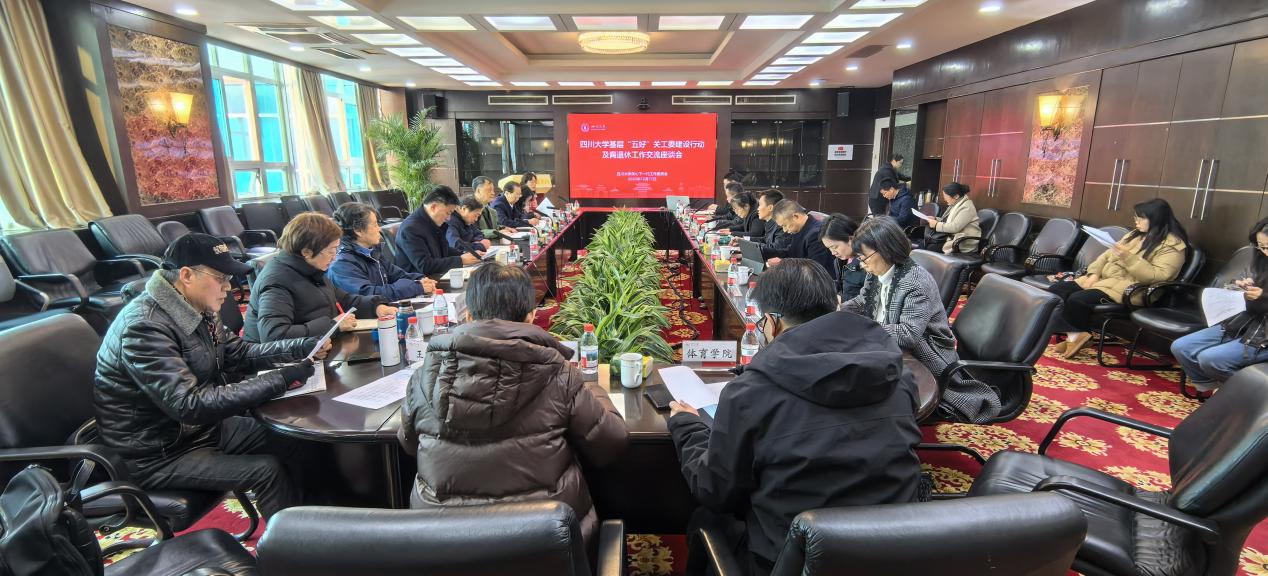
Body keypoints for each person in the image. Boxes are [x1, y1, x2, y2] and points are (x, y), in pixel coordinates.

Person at [669, 259, 922, 575]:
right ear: (835, 304)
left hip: (794, 561)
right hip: (896, 551)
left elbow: (715, 490)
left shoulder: (751, 393)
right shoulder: (898, 375)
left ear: (772, 323)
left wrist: (687, 425)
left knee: (706, 518)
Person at [94, 233, 332, 519]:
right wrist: (280, 378)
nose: (229, 287)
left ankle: (319, 521)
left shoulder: (196, 306)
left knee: (300, 439)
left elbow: (239, 354)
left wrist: (300, 346)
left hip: (201, 432)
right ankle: (290, 545)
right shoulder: (144, 327)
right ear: (186, 276)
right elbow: (189, 405)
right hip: (158, 454)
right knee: (267, 471)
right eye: (221, 278)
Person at [398, 262, 627, 547]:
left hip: (442, 547)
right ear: (531, 317)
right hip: (542, 547)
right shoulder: (559, 375)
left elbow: (409, 445)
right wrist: (593, 388)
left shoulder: (424, 377)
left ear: (468, 315)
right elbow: (610, 444)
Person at [843, 217, 1001, 423]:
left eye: (865, 258)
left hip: (926, 353)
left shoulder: (915, 282)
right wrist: (837, 311)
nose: (862, 265)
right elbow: (863, 300)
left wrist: (865, 328)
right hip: (889, 344)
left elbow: (908, 334)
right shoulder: (877, 270)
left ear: (885, 250)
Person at [1049, 198, 1189, 359]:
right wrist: (1093, 274)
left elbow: (1158, 276)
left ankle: (1076, 337)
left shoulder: (1172, 246)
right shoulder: (1134, 235)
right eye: (1136, 217)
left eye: (1141, 218)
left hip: (1134, 289)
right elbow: (1106, 256)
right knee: (1056, 290)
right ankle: (1075, 336)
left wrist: (1128, 257)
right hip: (1106, 280)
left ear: (1156, 219)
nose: (1136, 221)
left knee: (1078, 299)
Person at [246, 213, 396, 343]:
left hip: (316, 348)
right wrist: (332, 326)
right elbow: (274, 335)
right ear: (307, 252)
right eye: (331, 251)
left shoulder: (311, 268)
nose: (334, 257)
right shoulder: (276, 281)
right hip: (278, 361)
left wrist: (376, 307)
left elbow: (344, 300)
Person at [1171, 218, 1268, 392]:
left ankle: (1252, 396)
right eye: (1261, 246)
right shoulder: (1261, 259)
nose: (1265, 252)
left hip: (1264, 334)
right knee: (1181, 347)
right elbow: (1242, 285)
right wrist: (1242, 286)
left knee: (1210, 359)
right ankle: (1215, 389)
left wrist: (1264, 296)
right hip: (1244, 322)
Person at [328, 202, 436, 302]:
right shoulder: (342, 264)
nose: (379, 229)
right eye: (375, 224)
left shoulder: (372, 252)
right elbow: (369, 295)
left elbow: (397, 275)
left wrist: (421, 280)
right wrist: (415, 287)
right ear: (358, 230)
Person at [395, 185, 481, 275]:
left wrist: (465, 253)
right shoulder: (410, 229)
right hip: (417, 280)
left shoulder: (433, 222)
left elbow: (444, 250)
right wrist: (460, 260)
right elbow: (425, 266)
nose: (449, 218)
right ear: (433, 207)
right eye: (448, 213)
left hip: (435, 275)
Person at [767, 200, 836, 278]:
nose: (784, 230)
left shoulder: (815, 233)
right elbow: (791, 251)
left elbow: (815, 267)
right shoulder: (800, 229)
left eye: (785, 225)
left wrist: (783, 263)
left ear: (796, 216)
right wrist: (764, 251)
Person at [918, 182, 981, 254]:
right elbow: (948, 221)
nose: (945, 199)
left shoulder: (967, 208)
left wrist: (936, 225)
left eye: (946, 196)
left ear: (956, 196)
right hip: (951, 237)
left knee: (928, 249)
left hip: (962, 242)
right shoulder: (956, 203)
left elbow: (955, 227)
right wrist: (935, 219)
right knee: (923, 245)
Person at [819, 213, 866, 302]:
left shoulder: (868, 261)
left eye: (835, 247)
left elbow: (870, 296)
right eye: (829, 248)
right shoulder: (839, 261)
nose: (833, 253)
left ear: (850, 239)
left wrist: (842, 299)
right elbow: (842, 287)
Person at [755, 190, 792, 258]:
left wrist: (753, 248)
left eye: (760, 205)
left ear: (770, 208)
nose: (758, 209)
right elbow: (766, 239)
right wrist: (744, 240)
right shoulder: (769, 222)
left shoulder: (781, 225)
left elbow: (777, 248)